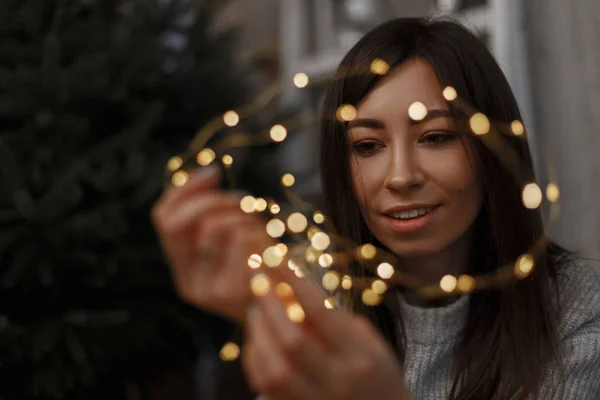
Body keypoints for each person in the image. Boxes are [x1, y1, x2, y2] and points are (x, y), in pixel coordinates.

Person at [151, 18, 600, 400]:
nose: (400, 176)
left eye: (436, 137)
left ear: (491, 152)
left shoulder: (578, 315)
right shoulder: (317, 305)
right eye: (367, 146)